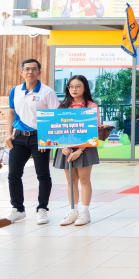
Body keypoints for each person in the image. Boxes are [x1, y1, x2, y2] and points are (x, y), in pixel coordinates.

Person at [2, 59, 60, 227]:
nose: (30, 72)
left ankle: (42, 209)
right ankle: (18, 209)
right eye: (27, 69)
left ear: (39, 72)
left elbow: (54, 116)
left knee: (42, 174)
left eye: (34, 69)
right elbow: (11, 113)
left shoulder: (47, 92)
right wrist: (8, 134)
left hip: (39, 138)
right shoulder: (15, 91)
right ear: (21, 72)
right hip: (18, 137)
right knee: (13, 174)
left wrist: (46, 140)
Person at [54, 75, 101, 226]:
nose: (74, 89)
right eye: (71, 86)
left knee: (84, 180)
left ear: (85, 88)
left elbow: (94, 130)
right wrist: (63, 146)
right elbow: (56, 128)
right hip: (66, 149)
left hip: (85, 148)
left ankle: (84, 212)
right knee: (70, 181)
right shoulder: (62, 106)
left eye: (78, 86)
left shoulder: (91, 106)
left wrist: (80, 150)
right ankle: (72, 211)